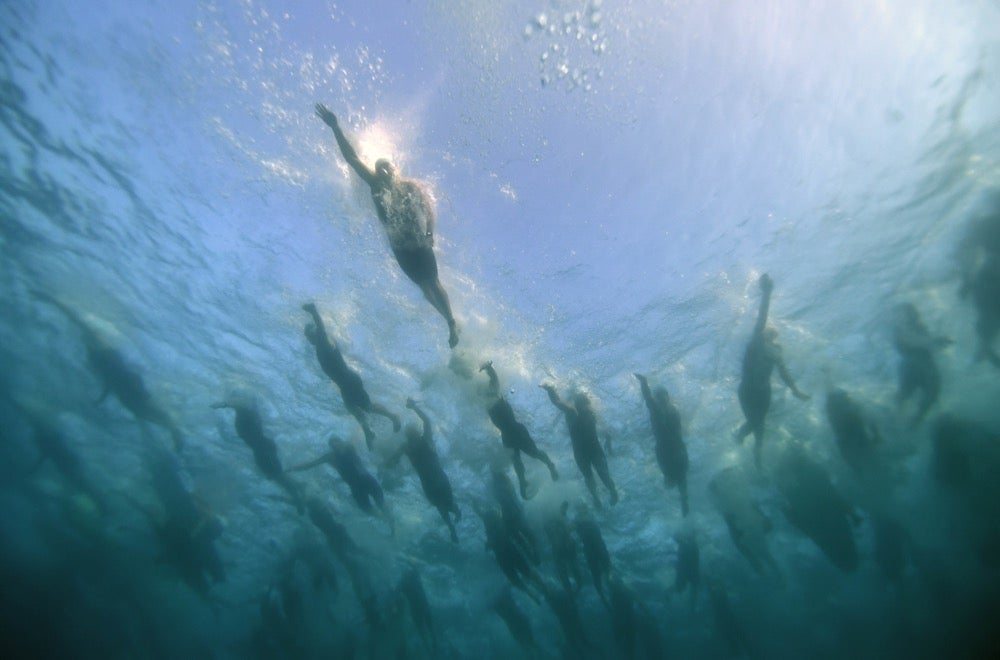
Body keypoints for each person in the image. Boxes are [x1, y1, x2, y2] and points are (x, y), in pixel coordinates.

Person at [314, 103, 459, 348]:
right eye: (379, 169)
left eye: (386, 167)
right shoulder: (375, 185)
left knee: (433, 282)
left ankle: (451, 323)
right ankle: (448, 320)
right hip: (400, 247)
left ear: (394, 169)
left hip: (417, 241)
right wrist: (335, 127)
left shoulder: (409, 186)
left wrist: (429, 232)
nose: (383, 171)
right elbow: (351, 158)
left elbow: (428, 209)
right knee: (424, 289)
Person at [32, 290, 184, 451]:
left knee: (146, 410)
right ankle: (174, 431)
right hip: (125, 390)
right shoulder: (94, 352)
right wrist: (103, 395)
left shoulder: (100, 347)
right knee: (141, 412)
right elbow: (109, 379)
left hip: (129, 385)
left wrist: (50, 299)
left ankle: (174, 430)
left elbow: (75, 318)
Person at [734, 274, 809, 469]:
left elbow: (784, 373)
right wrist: (767, 292)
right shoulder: (755, 343)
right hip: (748, 391)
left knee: (759, 424)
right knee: (758, 424)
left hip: (764, 392)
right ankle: (754, 456)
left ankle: (744, 440)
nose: (772, 334)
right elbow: (762, 317)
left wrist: (795, 390)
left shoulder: (776, 351)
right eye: (770, 332)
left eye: (774, 333)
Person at [302, 302, 400, 449]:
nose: (308, 339)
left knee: (367, 407)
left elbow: (321, 329)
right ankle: (368, 432)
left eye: (309, 335)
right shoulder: (321, 345)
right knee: (352, 408)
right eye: (307, 336)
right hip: (345, 384)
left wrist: (313, 311)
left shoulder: (323, 341)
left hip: (349, 381)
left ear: (314, 333)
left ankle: (393, 417)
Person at [480, 361, 558, 499]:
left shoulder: (495, 396)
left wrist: (490, 368)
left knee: (534, 453)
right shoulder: (485, 403)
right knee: (516, 460)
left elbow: (494, 380)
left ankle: (550, 465)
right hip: (506, 435)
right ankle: (522, 481)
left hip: (516, 430)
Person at [211, 398, 303, 512]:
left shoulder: (245, 414)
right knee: (277, 476)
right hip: (262, 449)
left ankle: (298, 497)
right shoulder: (249, 416)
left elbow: (239, 406)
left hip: (262, 448)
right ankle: (298, 492)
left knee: (277, 475)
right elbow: (242, 407)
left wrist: (224, 404)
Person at [288, 434, 393, 533]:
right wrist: (293, 468)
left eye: (337, 442)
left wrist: (360, 425)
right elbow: (310, 464)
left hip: (367, 481)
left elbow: (356, 437)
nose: (336, 445)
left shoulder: (349, 447)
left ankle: (392, 525)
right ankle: (385, 519)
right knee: (366, 508)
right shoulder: (330, 457)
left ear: (341, 442)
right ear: (331, 447)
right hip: (355, 487)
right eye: (333, 444)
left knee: (381, 503)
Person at [394, 399, 461, 542]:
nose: (412, 434)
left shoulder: (419, 442)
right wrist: (414, 408)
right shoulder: (412, 445)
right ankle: (452, 526)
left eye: (412, 431)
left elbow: (427, 422)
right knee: (444, 506)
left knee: (444, 506)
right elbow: (427, 422)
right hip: (435, 482)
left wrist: (414, 407)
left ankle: (453, 522)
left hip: (434, 482)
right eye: (410, 432)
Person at [541, 383, 618, 508]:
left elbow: (606, 432)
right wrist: (550, 389)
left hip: (590, 451)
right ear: (578, 402)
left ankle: (612, 492)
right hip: (584, 453)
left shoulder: (591, 413)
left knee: (603, 476)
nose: (585, 405)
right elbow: (557, 402)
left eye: (585, 403)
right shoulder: (571, 411)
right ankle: (596, 497)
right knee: (590, 477)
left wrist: (609, 447)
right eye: (582, 402)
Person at [634, 373, 689, 516]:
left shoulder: (674, 409)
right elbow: (647, 397)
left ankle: (685, 506)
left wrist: (683, 448)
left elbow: (679, 430)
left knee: (682, 480)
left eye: (665, 395)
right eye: (660, 396)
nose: (663, 398)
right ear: (657, 399)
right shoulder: (655, 409)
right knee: (671, 481)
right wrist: (644, 382)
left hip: (678, 448)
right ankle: (676, 496)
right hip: (664, 451)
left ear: (668, 396)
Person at [893, 303, 950, 423]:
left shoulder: (919, 327)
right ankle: (902, 422)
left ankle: (914, 421)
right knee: (905, 395)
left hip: (923, 365)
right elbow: (915, 342)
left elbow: (926, 344)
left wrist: (936, 343)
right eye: (900, 314)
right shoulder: (900, 330)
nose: (901, 316)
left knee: (931, 395)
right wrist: (936, 341)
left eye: (905, 313)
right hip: (913, 366)